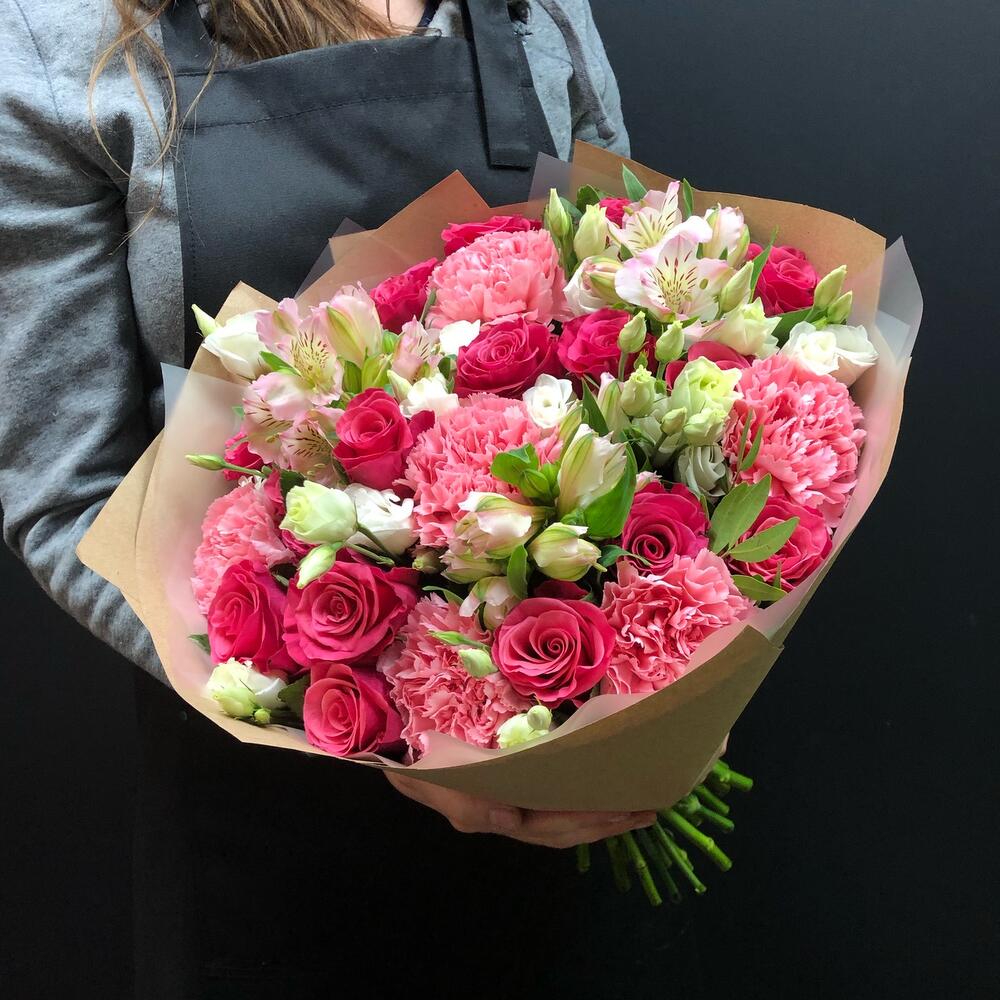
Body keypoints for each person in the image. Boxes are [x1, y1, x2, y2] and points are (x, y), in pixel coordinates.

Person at [0, 2, 672, 997]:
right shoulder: (55, 38)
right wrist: (369, 716)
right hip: (272, 842)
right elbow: (70, 494)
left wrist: (663, 683)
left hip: (560, 784)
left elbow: (630, 308)